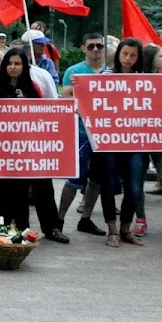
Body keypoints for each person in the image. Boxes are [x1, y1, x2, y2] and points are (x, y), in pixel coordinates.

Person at [0, 48, 69, 243]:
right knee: (2, 191)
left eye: (17, 64)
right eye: (9, 64)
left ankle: (50, 228)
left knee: (42, 188)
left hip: (29, 151)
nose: (13, 67)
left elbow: (44, 114)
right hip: (2, 153)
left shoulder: (33, 88)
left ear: (24, 66)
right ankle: (1, 229)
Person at [93, 38, 147, 247]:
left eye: (133, 55)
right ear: (118, 55)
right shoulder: (105, 77)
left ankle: (126, 228)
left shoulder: (145, 80)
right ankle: (112, 228)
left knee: (134, 188)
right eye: (125, 54)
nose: (128, 59)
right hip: (109, 142)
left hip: (135, 143)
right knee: (108, 184)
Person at [59, 33, 107, 237]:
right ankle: (59, 219)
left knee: (96, 179)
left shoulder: (110, 72)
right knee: (75, 177)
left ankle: (85, 219)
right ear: (83, 48)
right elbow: (64, 96)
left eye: (99, 46)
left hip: (105, 132)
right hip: (82, 131)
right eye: (91, 47)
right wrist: (73, 86)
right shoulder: (74, 71)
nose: (95, 50)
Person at [133, 44, 162, 238]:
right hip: (138, 139)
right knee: (136, 182)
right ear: (150, 58)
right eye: (161, 56)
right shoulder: (133, 79)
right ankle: (140, 219)